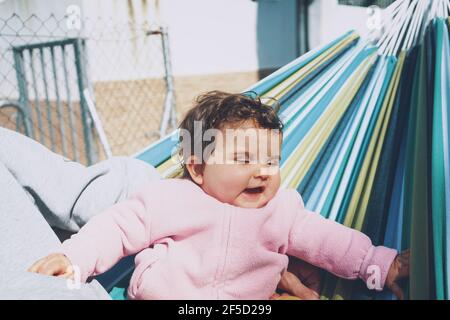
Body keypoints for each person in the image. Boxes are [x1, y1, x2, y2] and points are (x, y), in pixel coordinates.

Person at [29, 91, 409, 300]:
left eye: (271, 160)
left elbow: (330, 241)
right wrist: (74, 258)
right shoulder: (168, 199)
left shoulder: (283, 210)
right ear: (198, 168)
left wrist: (377, 262)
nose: (262, 170)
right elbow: (116, 228)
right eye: (243, 158)